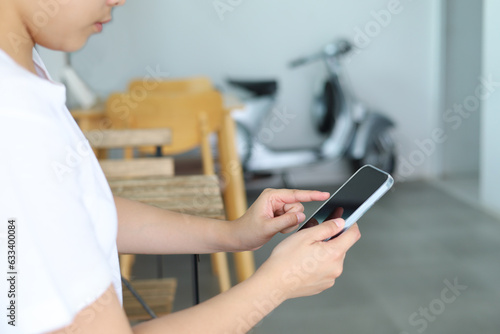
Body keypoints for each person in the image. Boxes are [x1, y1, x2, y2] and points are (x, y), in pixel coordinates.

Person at [0, 0, 360, 333]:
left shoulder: (24, 69)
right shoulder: (19, 120)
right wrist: (277, 284)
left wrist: (232, 235)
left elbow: (86, 209)